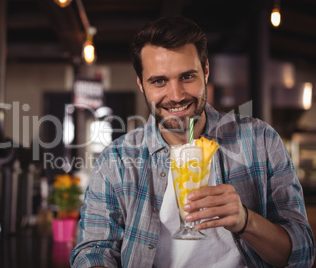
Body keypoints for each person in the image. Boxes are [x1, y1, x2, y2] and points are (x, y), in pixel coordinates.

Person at [70, 16, 315, 268]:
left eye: (187, 77)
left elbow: (302, 254)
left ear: (206, 71)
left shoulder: (261, 141)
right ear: (141, 85)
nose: (176, 96)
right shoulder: (116, 160)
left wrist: (245, 220)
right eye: (159, 81)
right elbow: (93, 251)